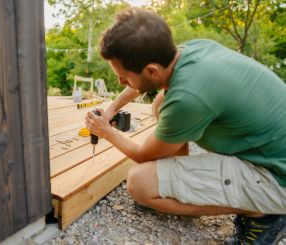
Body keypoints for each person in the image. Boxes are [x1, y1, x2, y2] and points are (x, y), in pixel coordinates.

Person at [85, 7, 286, 245]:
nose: (120, 82)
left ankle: (264, 215)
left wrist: (106, 132)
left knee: (139, 183)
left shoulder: (187, 99)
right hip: (273, 152)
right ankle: (183, 182)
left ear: (151, 70)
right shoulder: (193, 49)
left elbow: (143, 155)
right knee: (161, 100)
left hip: (276, 178)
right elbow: (143, 81)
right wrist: (112, 109)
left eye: (124, 76)